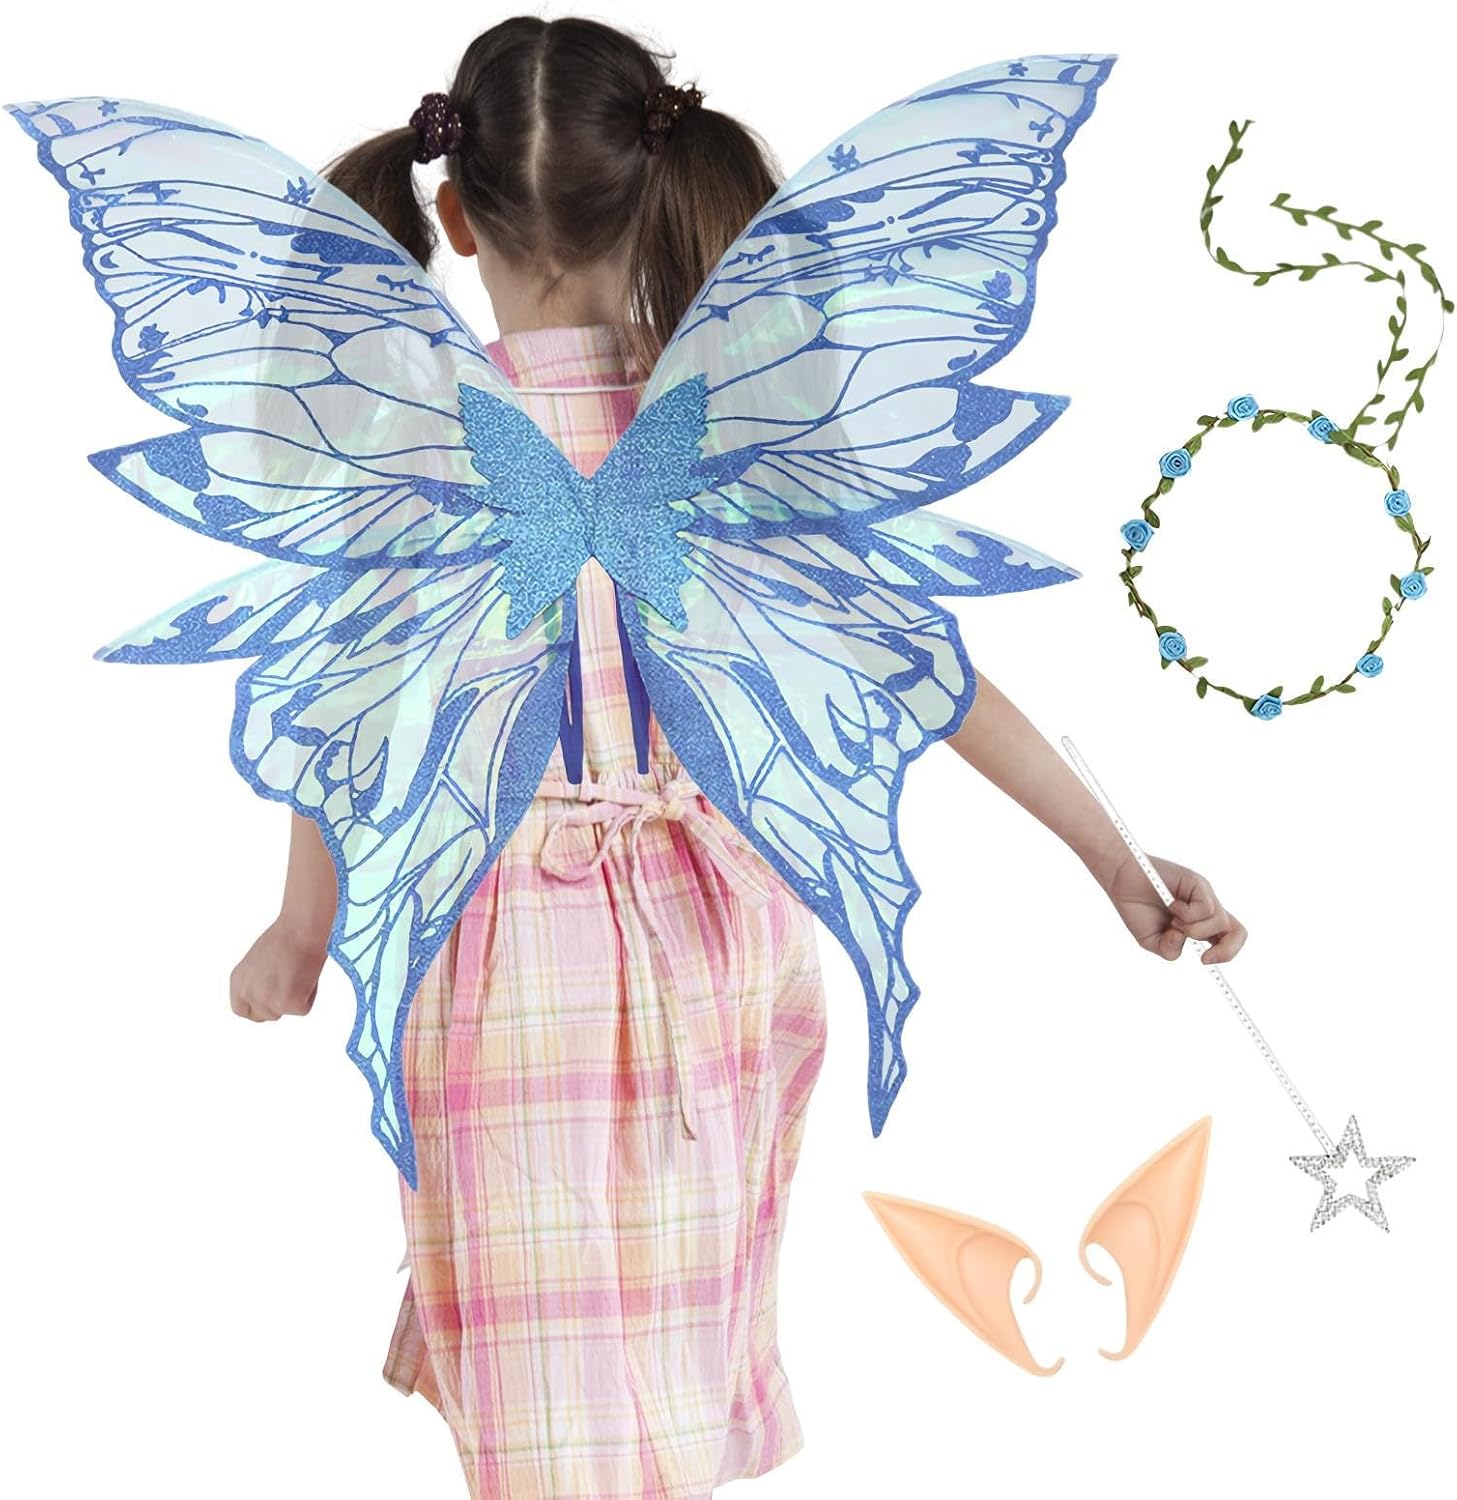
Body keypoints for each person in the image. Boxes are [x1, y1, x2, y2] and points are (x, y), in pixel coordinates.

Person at [226, 16, 1246, 1500]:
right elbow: (928, 676)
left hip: (504, 958)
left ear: (452, 215)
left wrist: (301, 926)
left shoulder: (414, 446)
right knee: (668, 1339)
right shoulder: (735, 433)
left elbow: (348, 709)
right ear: (660, 189)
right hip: (720, 941)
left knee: (552, 1383)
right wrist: (1120, 865)